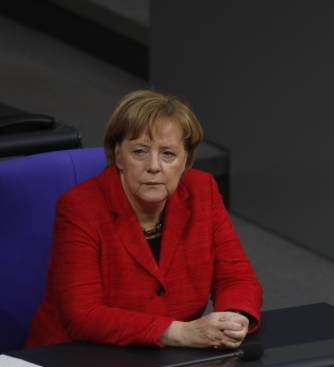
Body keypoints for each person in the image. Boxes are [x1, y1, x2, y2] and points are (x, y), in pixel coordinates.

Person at [26, 90, 262, 349]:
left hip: (173, 358)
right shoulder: (80, 207)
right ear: (118, 156)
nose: (153, 166)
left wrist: (232, 319)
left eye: (168, 154)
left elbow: (236, 277)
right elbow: (83, 315)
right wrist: (181, 332)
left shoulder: (202, 191)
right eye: (140, 151)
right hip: (77, 362)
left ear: (186, 160)